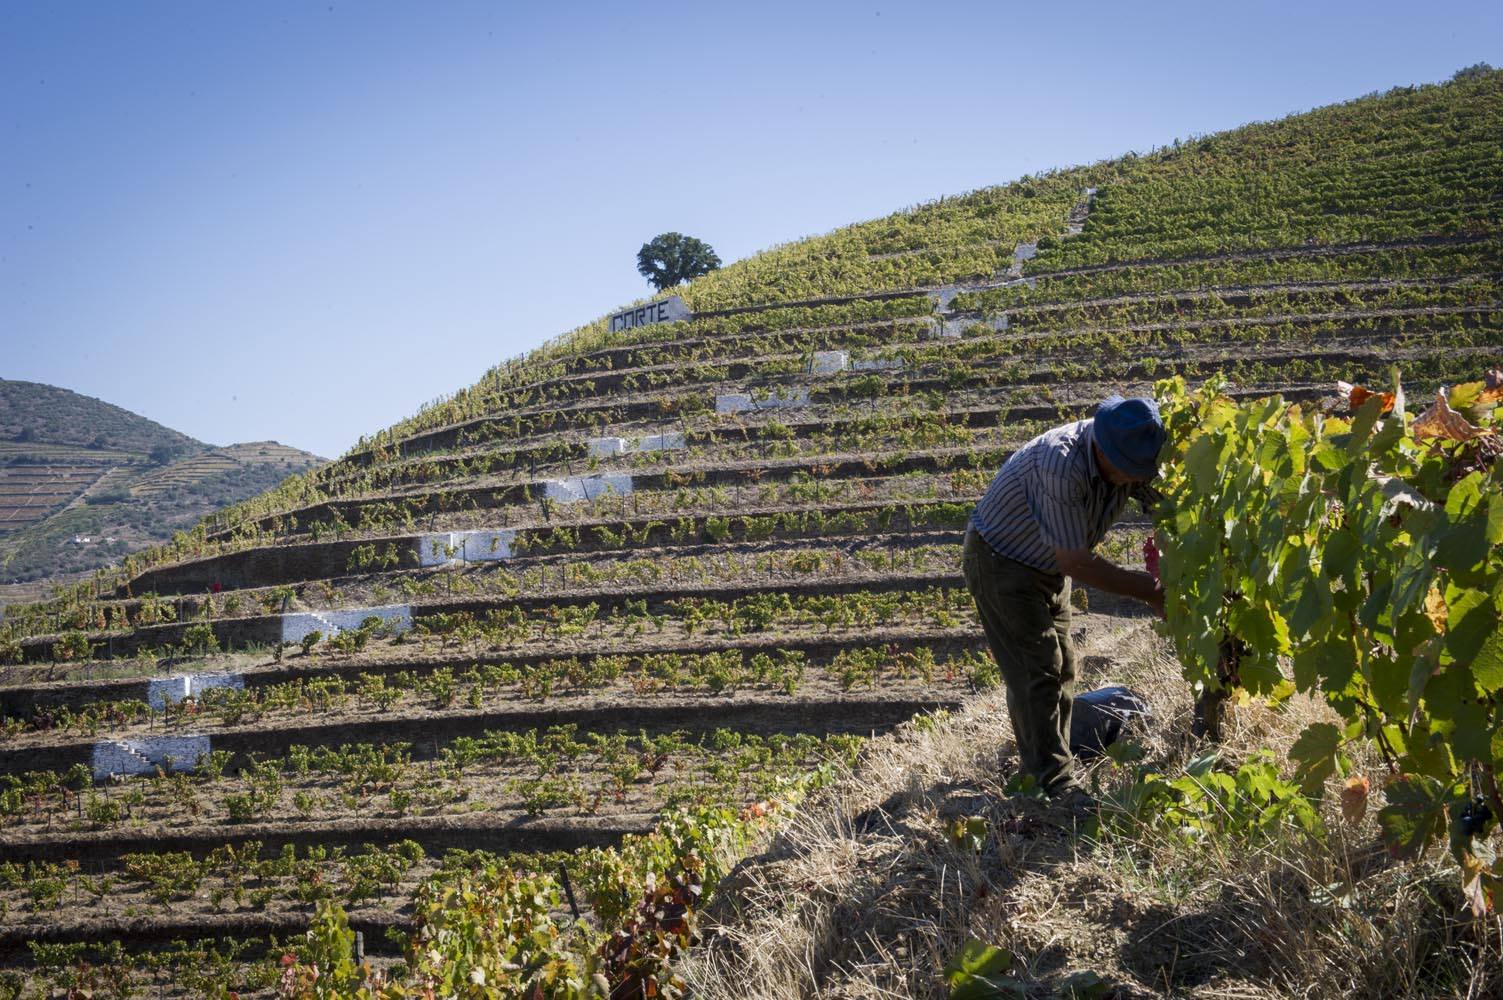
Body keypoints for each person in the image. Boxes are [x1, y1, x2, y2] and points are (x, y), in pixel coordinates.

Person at [962, 395, 1166, 803]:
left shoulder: (1130, 454)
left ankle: (1052, 757)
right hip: (1001, 562)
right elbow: (1076, 561)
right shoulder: (1062, 465)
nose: (1138, 479)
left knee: (1064, 666)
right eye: (1131, 471)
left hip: (1046, 565)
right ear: (1104, 452)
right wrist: (1151, 591)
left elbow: (1164, 505)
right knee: (1037, 670)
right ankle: (1050, 785)